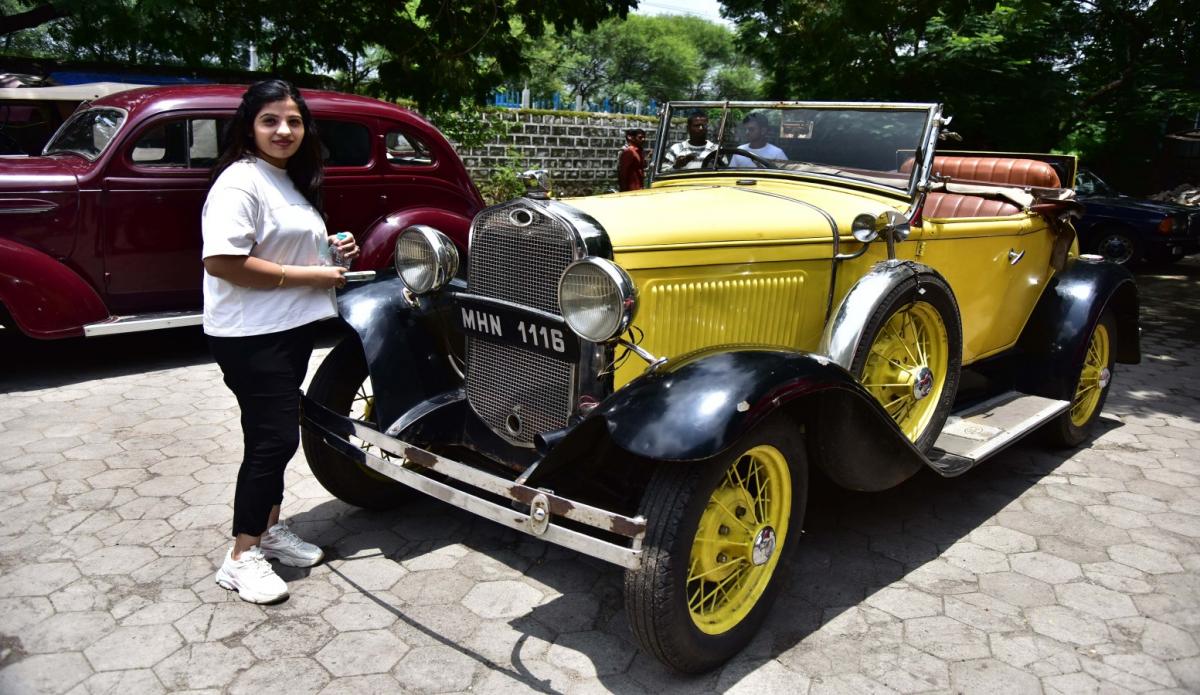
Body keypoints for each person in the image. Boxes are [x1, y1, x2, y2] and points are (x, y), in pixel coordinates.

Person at [201, 79, 357, 604]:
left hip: (287, 328)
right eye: (270, 120)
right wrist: (312, 277)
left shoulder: (286, 180)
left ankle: (268, 530)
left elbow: (283, 249)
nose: (283, 130)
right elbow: (223, 262)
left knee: (271, 435)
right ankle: (242, 556)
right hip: (250, 335)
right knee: (273, 441)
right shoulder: (239, 183)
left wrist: (333, 250)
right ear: (250, 127)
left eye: (292, 120)